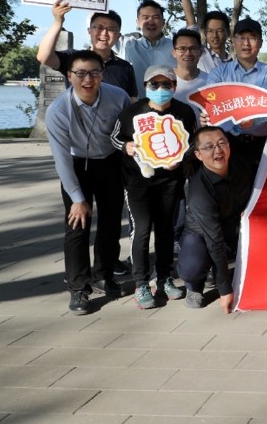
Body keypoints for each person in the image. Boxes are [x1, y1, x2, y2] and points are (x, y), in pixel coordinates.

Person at [45, 50, 132, 314]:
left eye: (94, 73)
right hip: (76, 165)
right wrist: (77, 198)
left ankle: (104, 274)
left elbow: (128, 134)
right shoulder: (58, 110)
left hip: (110, 162)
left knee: (110, 223)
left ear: (102, 74)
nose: (88, 79)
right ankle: (78, 287)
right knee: (77, 225)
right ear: (69, 76)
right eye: (80, 73)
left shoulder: (118, 97)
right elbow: (61, 158)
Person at [111, 65, 197, 309]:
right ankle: (140, 283)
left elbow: (193, 142)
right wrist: (126, 147)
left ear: (175, 86)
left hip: (170, 181)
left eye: (166, 84)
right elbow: (114, 137)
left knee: (166, 229)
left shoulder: (184, 112)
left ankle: (164, 278)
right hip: (138, 181)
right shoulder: (131, 112)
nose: (160, 89)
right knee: (141, 230)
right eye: (154, 84)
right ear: (145, 86)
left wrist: (180, 159)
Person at [177, 126, 254, 313]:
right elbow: (214, 240)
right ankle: (194, 286)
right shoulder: (199, 190)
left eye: (221, 143)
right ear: (198, 155)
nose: (218, 150)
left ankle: (227, 273)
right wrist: (225, 290)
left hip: (234, 228)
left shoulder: (243, 166)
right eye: (209, 147)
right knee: (193, 264)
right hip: (204, 236)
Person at [205, 18, 267, 163]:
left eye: (252, 38)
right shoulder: (218, 73)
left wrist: (229, 105)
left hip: (261, 143)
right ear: (233, 41)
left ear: (260, 43)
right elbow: (212, 104)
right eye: (241, 37)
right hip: (227, 142)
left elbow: (265, 107)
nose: (246, 43)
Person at [37, 0, 138, 98]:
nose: (104, 33)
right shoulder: (74, 58)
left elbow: (132, 101)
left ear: (118, 36)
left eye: (111, 29)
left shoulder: (125, 67)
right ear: (89, 31)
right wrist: (58, 21)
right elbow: (44, 56)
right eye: (99, 27)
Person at [178, 0, 231, 72]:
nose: (215, 36)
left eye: (219, 31)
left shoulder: (235, 63)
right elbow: (190, 21)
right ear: (205, 33)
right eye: (210, 31)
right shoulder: (200, 53)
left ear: (228, 33)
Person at [114, 0, 176, 76]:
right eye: (145, 17)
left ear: (163, 22)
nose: (151, 22)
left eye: (155, 17)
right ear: (137, 22)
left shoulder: (176, 48)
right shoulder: (126, 45)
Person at [171, 29, 209, 117]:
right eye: (182, 49)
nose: (188, 53)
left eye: (193, 49)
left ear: (200, 52)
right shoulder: (165, 82)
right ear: (174, 52)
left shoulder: (210, 81)